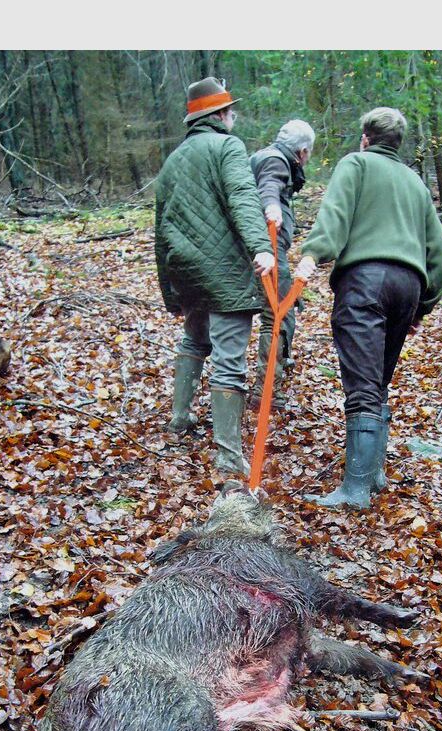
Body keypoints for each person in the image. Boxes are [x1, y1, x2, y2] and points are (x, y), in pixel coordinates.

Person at [295, 107, 442, 510]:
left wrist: (313, 255)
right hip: (408, 287)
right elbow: (440, 257)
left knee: (362, 386)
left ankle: (354, 491)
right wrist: (422, 306)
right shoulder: (415, 183)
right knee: (378, 381)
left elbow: (335, 217)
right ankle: (374, 474)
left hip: (364, 283)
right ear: (397, 143)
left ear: (366, 137)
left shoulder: (356, 165)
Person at [154, 77, 275, 475]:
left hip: (186, 269)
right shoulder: (228, 146)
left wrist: (169, 289)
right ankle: (227, 457)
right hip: (224, 272)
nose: (233, 115)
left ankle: (180, 418)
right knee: (228, 361)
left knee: (194, 338)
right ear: (220, 115)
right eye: (230, 110)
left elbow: (161, 226)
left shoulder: (173, 159)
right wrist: (261, 246)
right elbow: (242, 195)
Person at [248, 119, 315, 410]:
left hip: (262, 250)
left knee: (279, 311)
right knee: (277, 315)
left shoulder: (265, 156)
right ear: (302, 152)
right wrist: (272, 207)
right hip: (268, 251)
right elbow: (269, 187)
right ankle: (266, 391)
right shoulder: (276, 162)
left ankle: (273, 375)